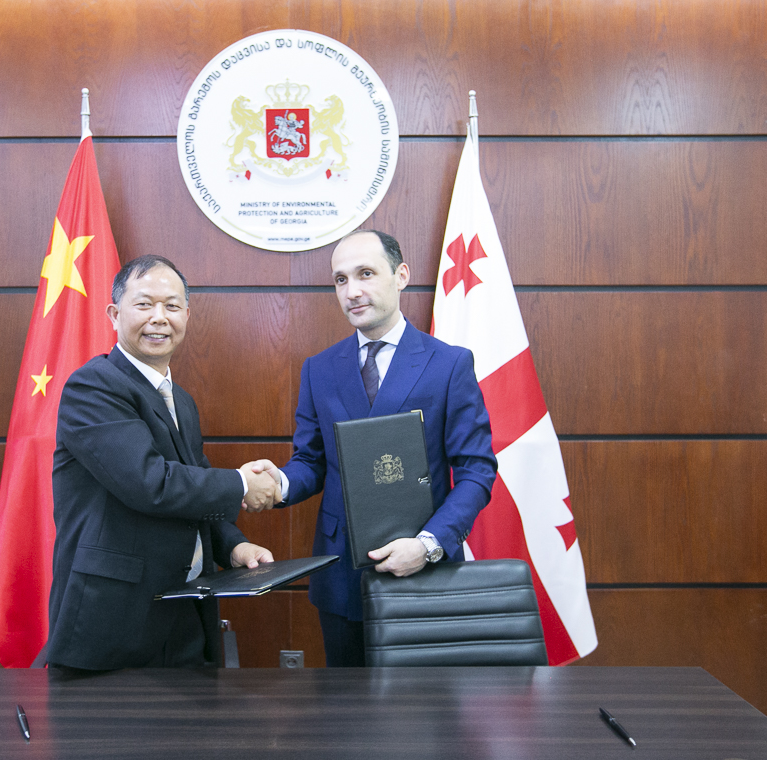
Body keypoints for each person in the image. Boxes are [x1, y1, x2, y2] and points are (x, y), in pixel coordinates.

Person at [271, 230, 498, 666]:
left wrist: (429, 544)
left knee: (426, 706)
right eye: (340, 280)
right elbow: (311, 462)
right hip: (341, 574)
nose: (352, 291)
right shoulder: (319, 368)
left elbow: (476, 470)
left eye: (366, 274)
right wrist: (278, 483)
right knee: (346, 704)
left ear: (401, 276)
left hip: (426, 570)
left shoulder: (449, 364)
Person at [46, 255, 279, 671]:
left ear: (186, 316)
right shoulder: (93, 387)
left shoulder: (181, 400)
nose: (159, 318)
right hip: (114, 617)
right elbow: (150, 483)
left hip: (184, 610)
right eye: (144, 304)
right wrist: (243, 484)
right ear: (114, 314)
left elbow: (194, 486)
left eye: (172, 306)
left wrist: (233, 545)